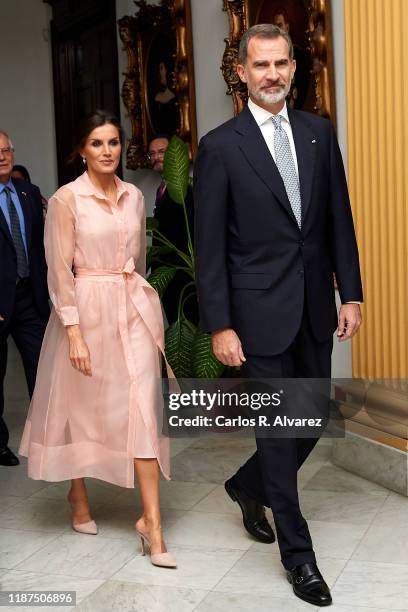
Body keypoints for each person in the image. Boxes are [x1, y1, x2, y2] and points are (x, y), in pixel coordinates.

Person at [194, 24, 363, 606]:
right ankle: (300, 558)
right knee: (275, 433)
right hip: (256, 316)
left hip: (315, 307)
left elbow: (339, 219)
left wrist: (352, 292)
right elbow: (209, 247)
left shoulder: (318, 133)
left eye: (282, 64)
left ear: (294, 67)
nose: (273, 75)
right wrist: (220, 324)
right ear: (241, 73)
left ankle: (245, 486)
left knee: (312, 420)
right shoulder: (220, 146)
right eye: (261, 65)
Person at [19, 110, 176, 569]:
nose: (106, 152)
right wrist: (73, 331)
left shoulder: (133, 197)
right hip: (86, 310)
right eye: (96, 144)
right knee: (81, 406)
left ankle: (153, 523)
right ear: (82, 151)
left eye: (112, 143)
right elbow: (57, 270)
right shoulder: (68, 200)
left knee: (145, 409)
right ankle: (77, 492)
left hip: (132, 308)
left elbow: (139, 261)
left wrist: (140, 303)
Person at [0, 132, 49, 467]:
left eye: (5, 150)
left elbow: (40, 249)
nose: (2, 156)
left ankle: (45, 439)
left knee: (41, 369)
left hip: (30, 297)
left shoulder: (29, 193)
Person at [148, 136, 198, 326]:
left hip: (186, 279)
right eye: (152, 153)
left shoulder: (187, 188)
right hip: (168, 277)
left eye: (161, 152)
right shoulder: (162, 188)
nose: (156, 157)